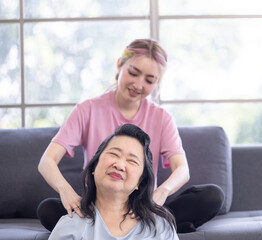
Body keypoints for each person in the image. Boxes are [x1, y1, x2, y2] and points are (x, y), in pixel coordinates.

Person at [38, 38, 224, 233]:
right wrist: (65, 190)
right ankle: (156, 229)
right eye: (133, 73)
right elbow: (47, 161)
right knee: (48, 210)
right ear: (120, 65)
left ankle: (151, 225)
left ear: (157, 83)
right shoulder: (87, 110)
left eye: (149, 80)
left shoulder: (162, 118)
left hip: (143, 207)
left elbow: (182, 170)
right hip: (99, 208)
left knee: (211, 196)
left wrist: (160, 194)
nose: (138, 84)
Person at [49, 124, 178, 240]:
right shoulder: (69, 226)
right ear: (94, 166)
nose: (120, 165)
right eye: (114, 154)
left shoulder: (160, 228)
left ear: (140, 181)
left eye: (132, 161)